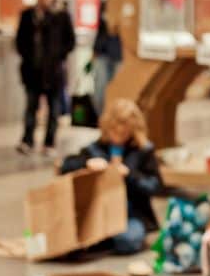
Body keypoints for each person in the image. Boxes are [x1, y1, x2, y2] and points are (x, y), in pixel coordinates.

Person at [60, 99, 162, 255]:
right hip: (99, 211)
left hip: (131, 213)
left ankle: (104, 239)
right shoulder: (95, 149)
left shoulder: (143, 151)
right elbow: (65, 166)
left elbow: (155, 186)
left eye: (124, 132)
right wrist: (87, 163)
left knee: (128, 239)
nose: (118, 136)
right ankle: (100, 237)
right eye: (114, 131)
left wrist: (129, 174)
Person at [14, 0, 75, 157]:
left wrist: (57, 56)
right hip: (32, 71)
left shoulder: (61, 16)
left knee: (53, 109)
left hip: (54, 73)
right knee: (31, 107)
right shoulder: (28, 16)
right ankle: (27, 140)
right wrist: (28, 57)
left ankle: (49, 142)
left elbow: (70, 42)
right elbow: (20, 41)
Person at [91, 1, 122, 115]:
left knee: (116, 91)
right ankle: (103, 118)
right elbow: (100, 32)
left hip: (119, 56)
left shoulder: (126, 3)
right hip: (102, 54)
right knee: (99, 91)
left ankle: (112, 118)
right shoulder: (105, 3)